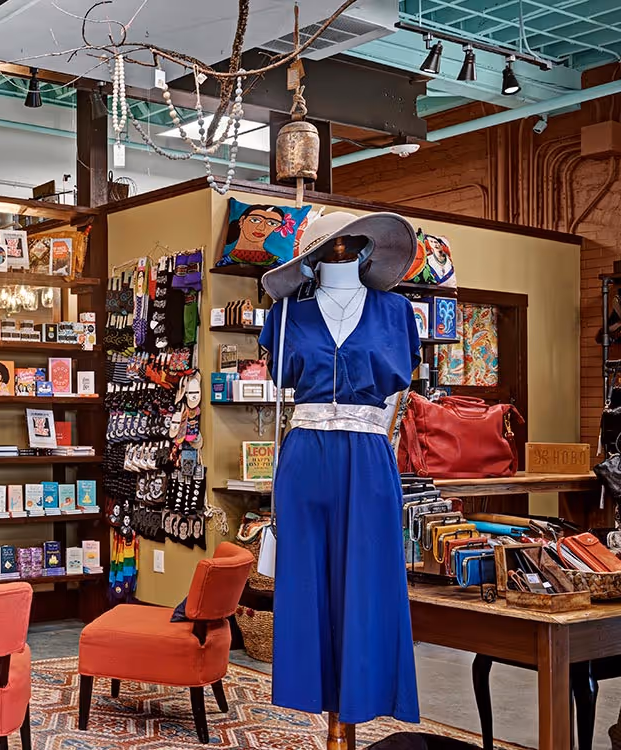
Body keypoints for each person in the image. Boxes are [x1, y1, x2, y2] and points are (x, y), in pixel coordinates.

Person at [258, 211, 422, 735]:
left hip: (370, 458)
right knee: (307, 586)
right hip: (306, 459)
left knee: (369, 584)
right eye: (329, 245)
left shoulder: (397, 312)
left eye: (351, 242)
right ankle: (323, 715)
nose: (342, 251)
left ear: (366, 248)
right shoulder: (285, 317)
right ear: (310, 256)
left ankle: (355, 711)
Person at [225, 204, 290, 265]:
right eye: (255, 220)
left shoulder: (278, 264)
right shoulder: (225, 261)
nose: (261, 228)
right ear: (242, 220)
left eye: (272, 223)